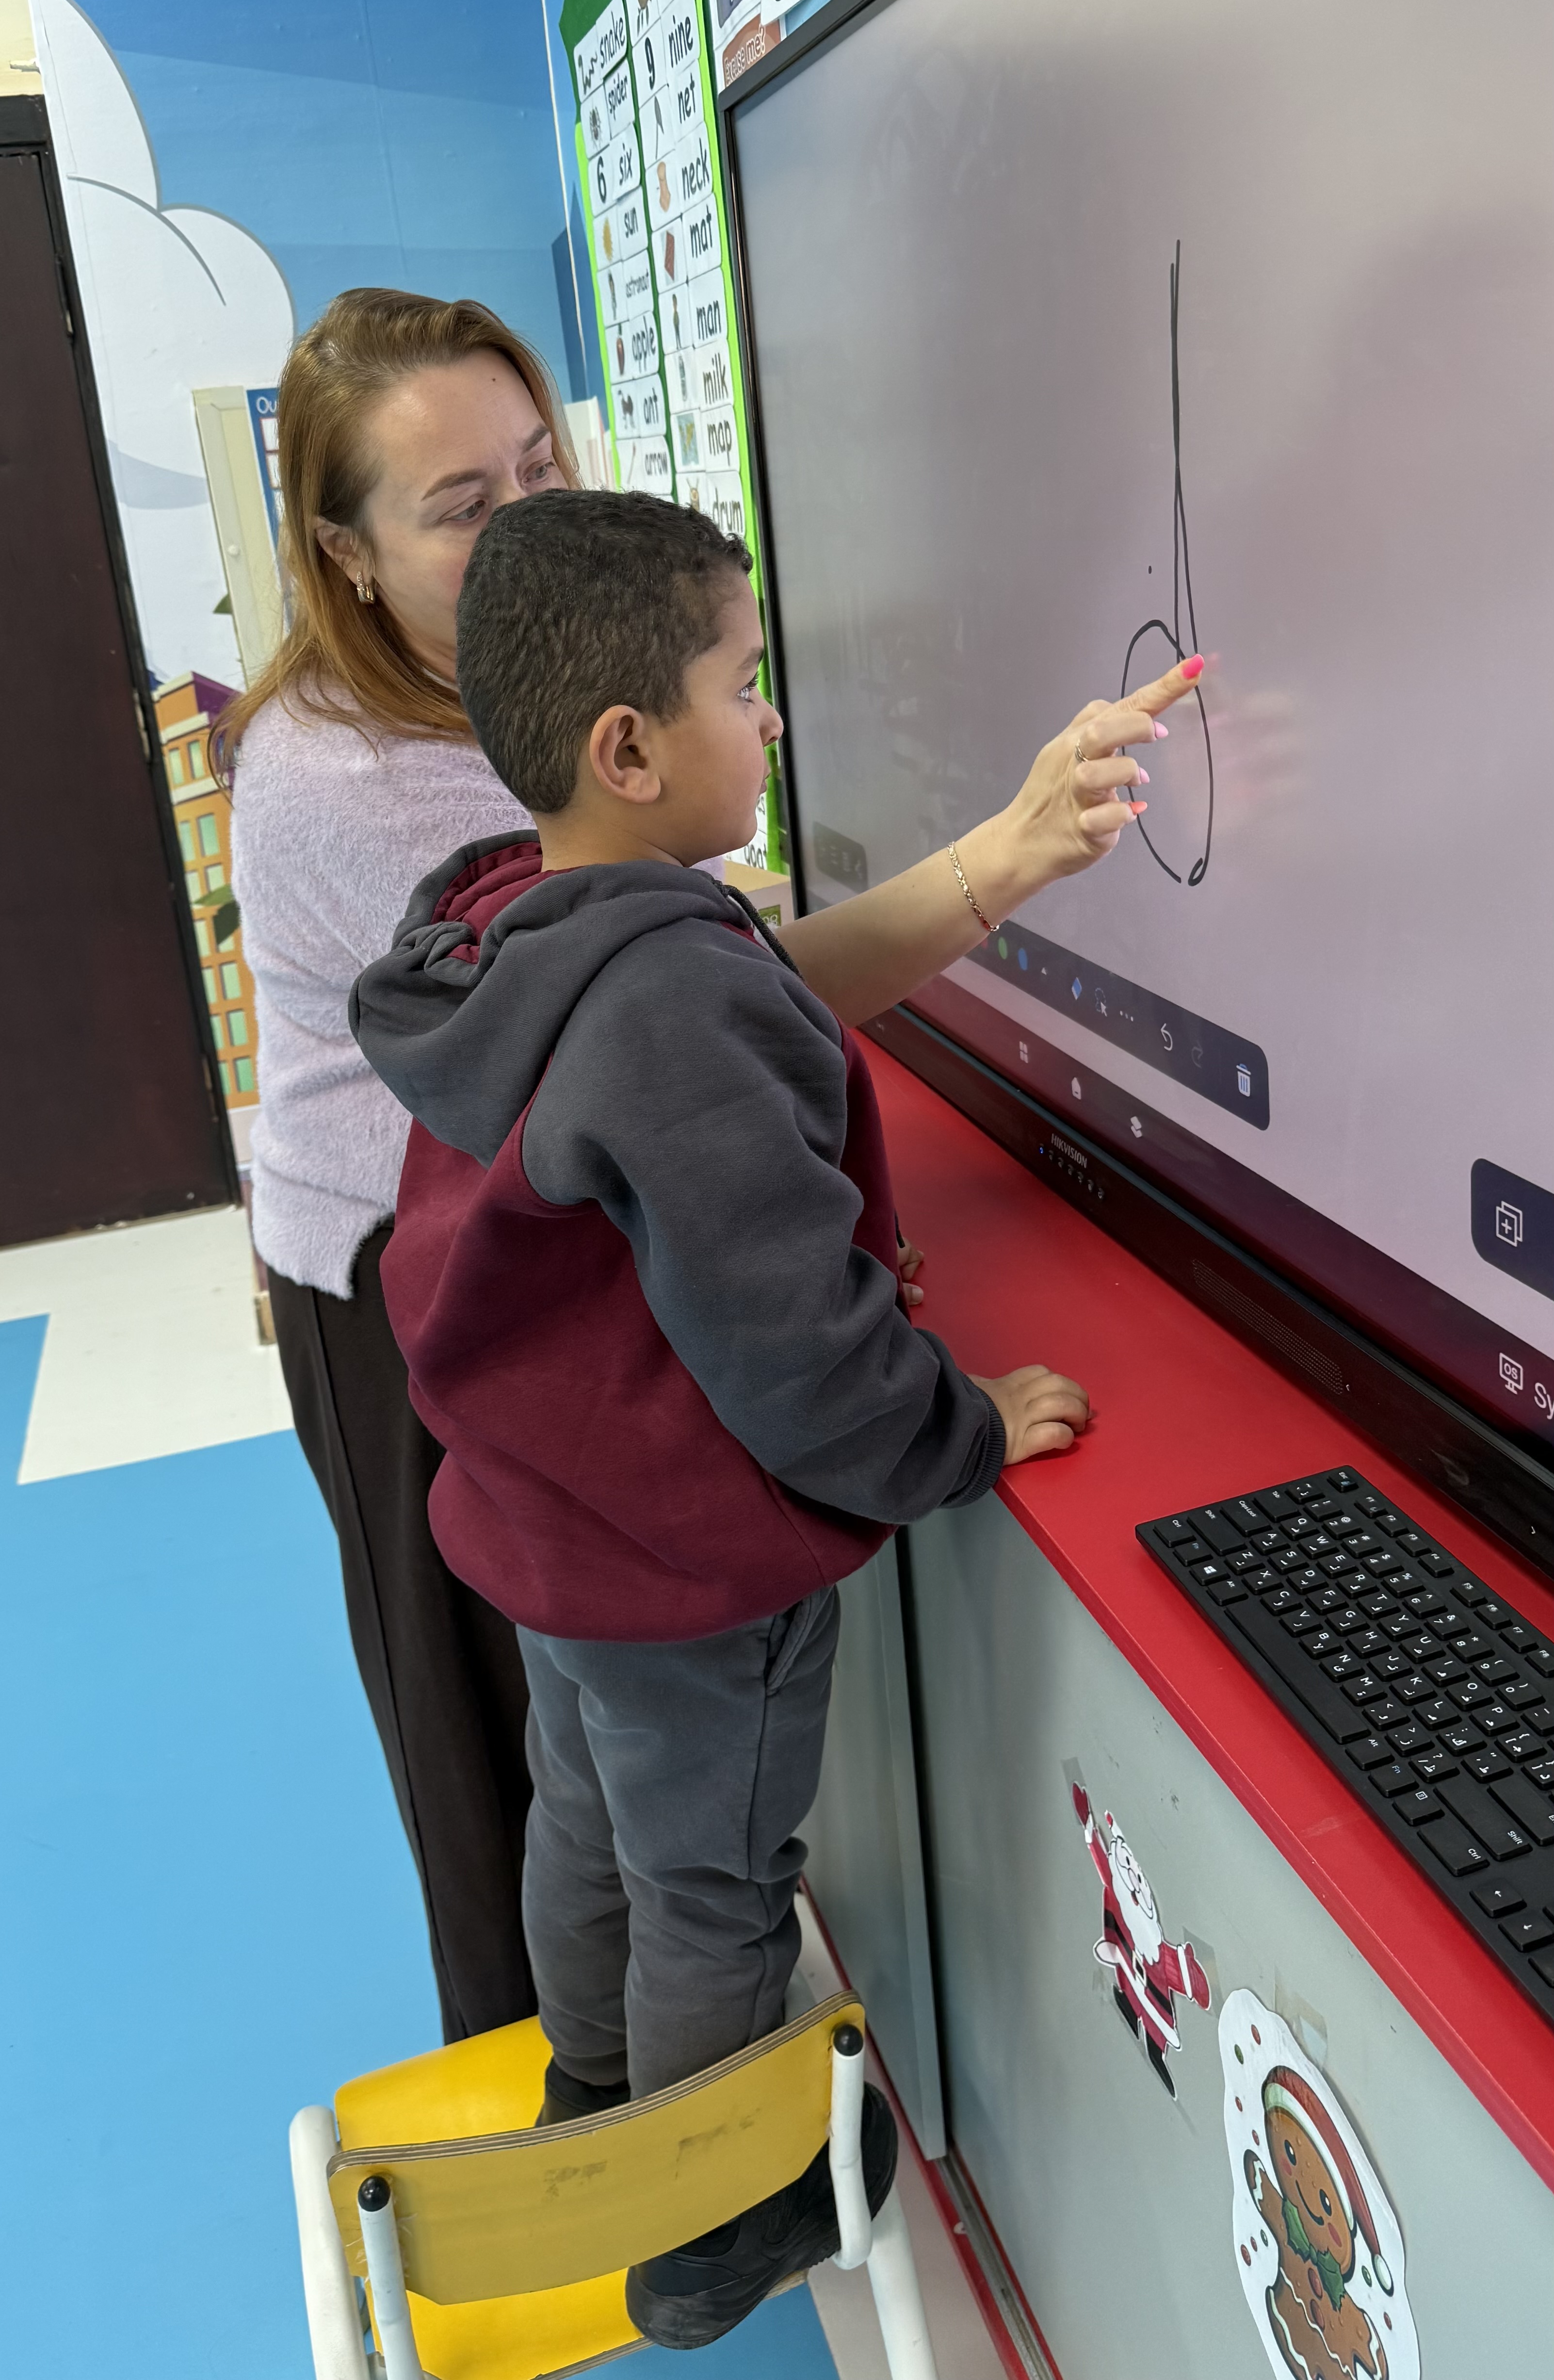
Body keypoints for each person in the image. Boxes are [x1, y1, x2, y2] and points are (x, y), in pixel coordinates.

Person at [352, 486, 1201, 2346]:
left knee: (589, 1821)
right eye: (745, 686)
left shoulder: (512, 929)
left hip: (550, 1530)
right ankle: (709, 2224)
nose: (774, 717)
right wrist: (959, 1429)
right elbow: (799, 1351)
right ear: (630, 749)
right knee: (719, 1883)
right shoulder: (669, 998)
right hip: (682, 1577)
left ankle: (596, 2088)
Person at [221, 288, 582, 2045]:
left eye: (541, 468)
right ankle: (563, 2117)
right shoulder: (356, 778)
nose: (528, 521)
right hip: (394, 1289)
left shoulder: (506, 679)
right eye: (462, 506)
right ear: (347, 555)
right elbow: (640, 1002)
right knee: (486, 1751)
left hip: (514, 1243)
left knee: (580, 1723)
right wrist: (983, 875)